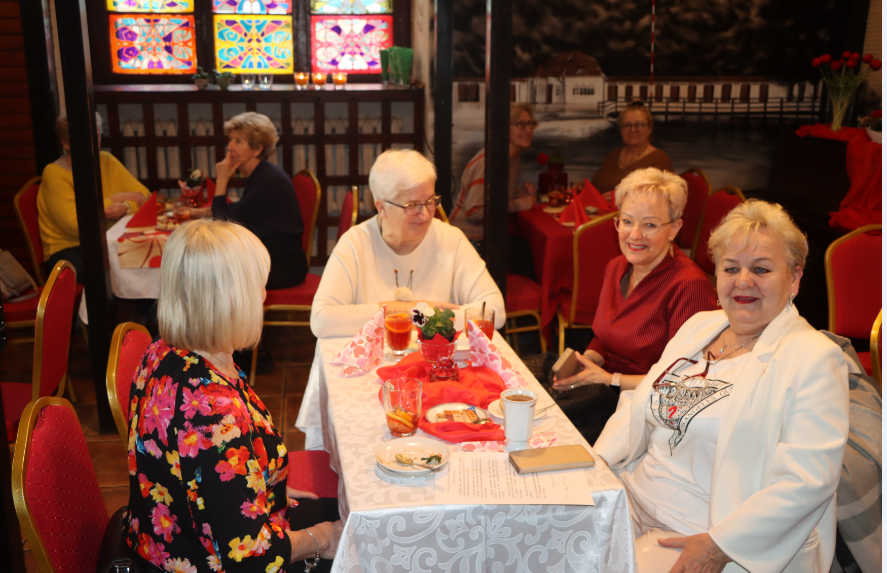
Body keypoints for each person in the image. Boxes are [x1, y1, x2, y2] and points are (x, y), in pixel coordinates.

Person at [594, 200, 850, 573]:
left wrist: (718, 546)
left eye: (761, 269)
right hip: (631, 497)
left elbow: (807, 482)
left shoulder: (814, 358)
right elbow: (640, 401)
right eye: (731, 268)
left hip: (707, 536)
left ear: (794, 278)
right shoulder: (700, 325)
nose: (743, 281)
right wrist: (594, 467)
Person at [124, 219, 343, 572]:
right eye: (258, 285)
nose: (265, 296)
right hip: (207, 560)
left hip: (171, 535)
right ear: (230, 298)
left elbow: (204, 480)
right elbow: (251, 558)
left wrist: (267, 487)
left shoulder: (162, 352)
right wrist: (323, 537)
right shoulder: (213, 414)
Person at [554, 168, 717, 396]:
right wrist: (587, 361)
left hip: (650, 404)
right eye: (627, 221)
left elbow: (684, 379)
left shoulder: (690, 286)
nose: (634, 234)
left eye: (649, 225)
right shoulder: (616, 267)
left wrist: (609, 379)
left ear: (674, 229)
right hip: (607, 387)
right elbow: (605, 339)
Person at [310, 149, 506, 339]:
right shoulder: (355, 243)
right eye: (413, 205)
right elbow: (321, 320)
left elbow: (494, 311)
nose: (426, 214)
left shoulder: (451, 239)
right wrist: (404, 310)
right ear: (382, 208)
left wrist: (425, 316)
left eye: (430, 201)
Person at [185, 112, 306, 290]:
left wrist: (222, 179)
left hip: (281, 268)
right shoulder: (263, 173)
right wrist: (199, 212)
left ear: (257, 149)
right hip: (269, 259)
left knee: (206, 275)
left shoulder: (267, 181)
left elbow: (222, 222)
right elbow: (242, 209)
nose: (230, 147)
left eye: (238, 141)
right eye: (231, 139)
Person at [37, 112, 150, 279]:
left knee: (145, 259)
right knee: (111, 271)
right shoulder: (53, 173)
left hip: (107, 242)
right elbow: (78, 225)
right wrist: (116, 199)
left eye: (96, 136)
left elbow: (145, 196)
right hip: (68, 250)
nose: (92, 142)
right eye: (84, 137)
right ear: (66, 143)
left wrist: (126, 207)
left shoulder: (106, 160)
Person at [449, 103, 538, 242]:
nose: (528, 130)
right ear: (503, 129)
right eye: (521, 124)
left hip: (490, 235)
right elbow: (474, 212)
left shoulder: (513, 157)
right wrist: (518, 204)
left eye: (530, 124)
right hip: (468, 239)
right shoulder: (489, 162)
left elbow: (495, 199)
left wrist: (518, 195)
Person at [593, 101, 673, 198]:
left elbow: (666, 198)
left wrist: (622, 198)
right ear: (621, 129)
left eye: (639, 125)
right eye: (627, 125)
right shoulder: (613, 155)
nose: (633, 130)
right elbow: (595, 186)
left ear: (649, 128)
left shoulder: (660, 159)